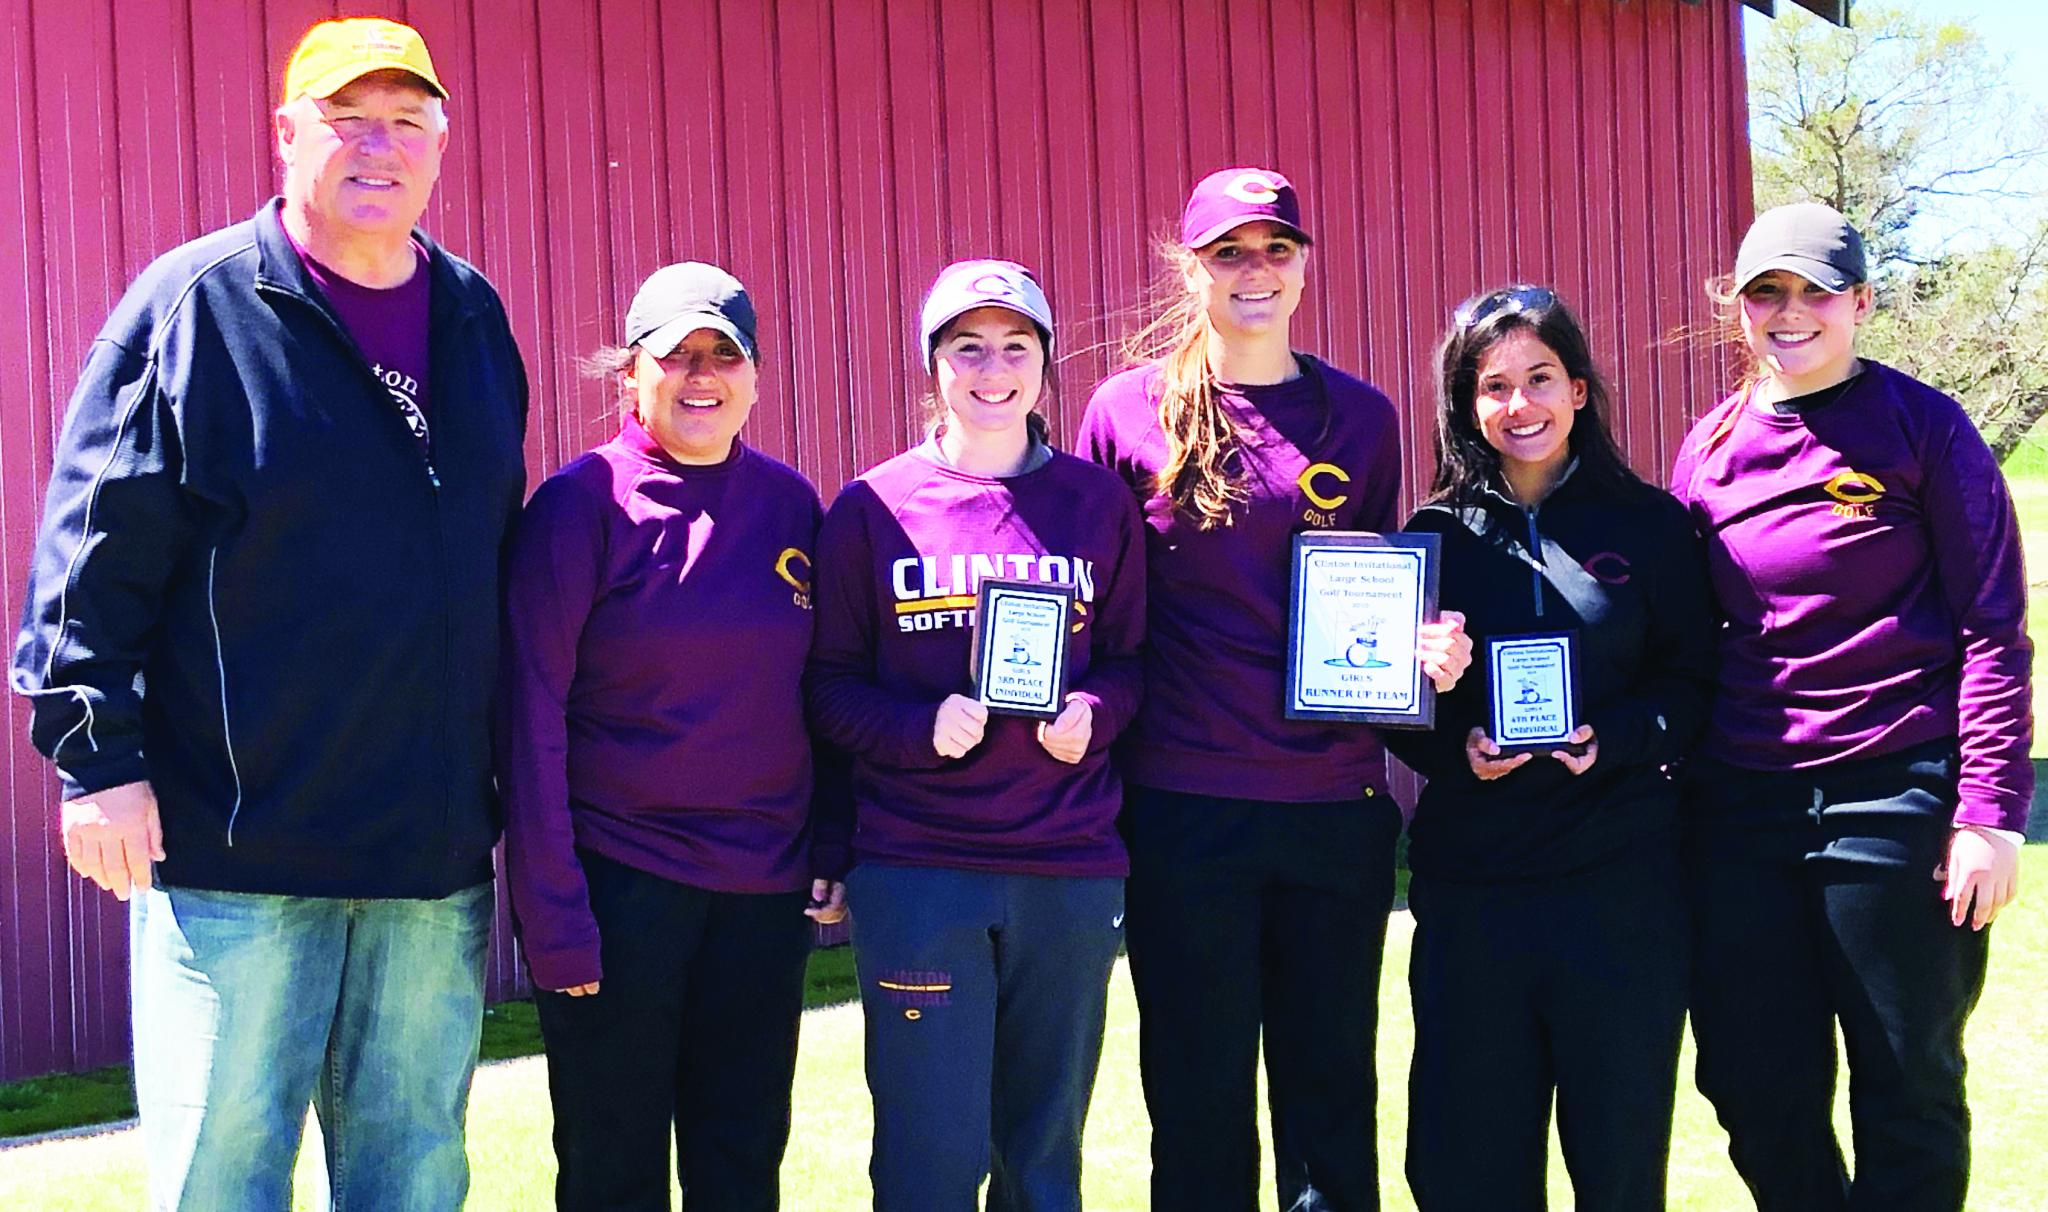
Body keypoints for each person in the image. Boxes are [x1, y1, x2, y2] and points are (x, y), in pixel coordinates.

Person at [9, 17, 528, 1211]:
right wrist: (95, 762)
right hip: (239, 857)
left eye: (408, 121)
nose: (378, 148)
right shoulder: (195, 307)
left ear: (441, 147)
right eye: (349, 120)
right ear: (287, 133)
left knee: (413, 1178)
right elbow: (92, 545)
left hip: (428, 857)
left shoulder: (470, 316)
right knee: (223, 1185)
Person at [1076, 168, 1471, 1212]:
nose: (1255, 272)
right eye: (1228, 253)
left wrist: (1416, 647)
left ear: (1302, 264)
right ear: (1191, 268)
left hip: (1331, 808)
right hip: (1180, 808)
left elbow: (1376, 587)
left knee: (1330, 1103)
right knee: (1199, 1109)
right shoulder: (1125, 412)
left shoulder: (1363, 416)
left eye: (1276, 249)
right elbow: (1092, 605)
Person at [1670, 202, 2030, 1211]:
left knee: (1906, 1080)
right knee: (1750, 1082)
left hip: (1896, 794)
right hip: (1741, 807)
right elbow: (1685, 638)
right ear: (1735, 310)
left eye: (1813, 292)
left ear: (1859, 302)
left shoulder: (1923, 427)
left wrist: (1988, 813)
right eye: (1764, 294)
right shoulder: (1707, 450)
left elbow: (1991, 627)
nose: (1788, 314)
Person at [498, 262, 843, 1211]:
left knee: (741, 1166)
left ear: (758, 378)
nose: (702, 377)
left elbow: (820, 691)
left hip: (762, 897)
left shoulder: (789, 506)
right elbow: (528, 721)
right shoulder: (581, 508)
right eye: (677, 356)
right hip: (622, 888)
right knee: (615, 1174)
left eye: (724, 356)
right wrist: (555, 919)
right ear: (630, 376)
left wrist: (830, 842)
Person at [805, 259, 1145, 1211]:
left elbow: (1131, 663)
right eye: (967, 348)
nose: (992, 369)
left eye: (1015, 347)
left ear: (1045, 363)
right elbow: (827, 690)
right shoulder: (874, 508)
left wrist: (1096, 714)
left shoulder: (1095, 502)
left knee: (1043, 1157)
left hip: (1067, 868)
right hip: (920, 868)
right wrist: (920, 729)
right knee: (930, 1158)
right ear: (932, 365)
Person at [1386, 286, 1715, 1210]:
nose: (1518, 405)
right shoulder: (1433, 537)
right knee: (1467, 1171)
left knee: (1617, 1168)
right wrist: (1451, 732)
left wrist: (1609, 741)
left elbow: (1694, 685)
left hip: (1620, 896)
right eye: (1494, 386)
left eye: (1539, 379)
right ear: (1468, 404)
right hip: (1474, 900)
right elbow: (1392, 712)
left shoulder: (1651, 526)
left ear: (1577, 389)